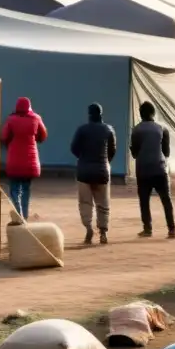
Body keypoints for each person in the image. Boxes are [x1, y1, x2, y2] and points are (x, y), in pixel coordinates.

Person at [70, 103, 116, 244]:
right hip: (102, 171)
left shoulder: (82, 130)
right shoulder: (109, 130)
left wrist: (82, 158)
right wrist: (105, 162)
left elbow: (74, 148)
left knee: (85, 202)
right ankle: (103, 232)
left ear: (89, 115)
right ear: (101, 114)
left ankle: (88, 227)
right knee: (103, 203)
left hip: (84, 171)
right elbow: (112, 150)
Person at [130, 101, 175, 239]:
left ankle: (147, 228)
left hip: (143, 170)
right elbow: (166, 152)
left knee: (144, 200)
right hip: (160, 169)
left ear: (141, 114)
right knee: (166, 200)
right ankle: (171, 229)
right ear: (153, 113)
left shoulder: (136, 130)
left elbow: (134, 154)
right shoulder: (162, 128)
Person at [0, 97, 47, 220]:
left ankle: (18, 213)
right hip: (30, 163)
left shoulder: (11, 120)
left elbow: (4, 137)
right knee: (26, 189)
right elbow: (43, 136)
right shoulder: (36, 118)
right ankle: (24, 216)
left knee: (14, 190)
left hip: (14, 162)